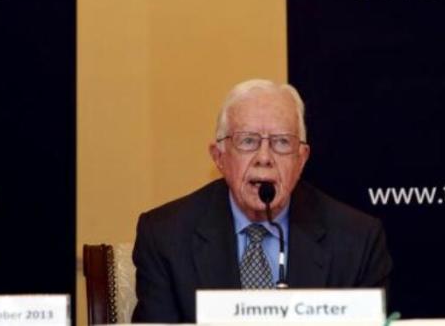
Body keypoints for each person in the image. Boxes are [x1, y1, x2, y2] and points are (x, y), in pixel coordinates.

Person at [131, 79, 392, 323]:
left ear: (301, 159)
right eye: (248, 141)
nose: (264, 157)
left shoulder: (357, 240)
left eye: (281, 142)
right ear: (219, 157)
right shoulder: (165, 236)